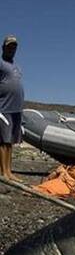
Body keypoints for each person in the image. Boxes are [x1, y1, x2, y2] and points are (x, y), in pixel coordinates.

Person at [0, 35, 24, 181]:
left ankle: (9, 171)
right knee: (3, 141)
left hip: (16, 108)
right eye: (9, 46)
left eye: (14, 47)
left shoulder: (17, 67)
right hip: (3, 107)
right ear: (3, 48)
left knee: (10, 141)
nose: (11, 49)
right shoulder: (1, 64)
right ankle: (3, 173)